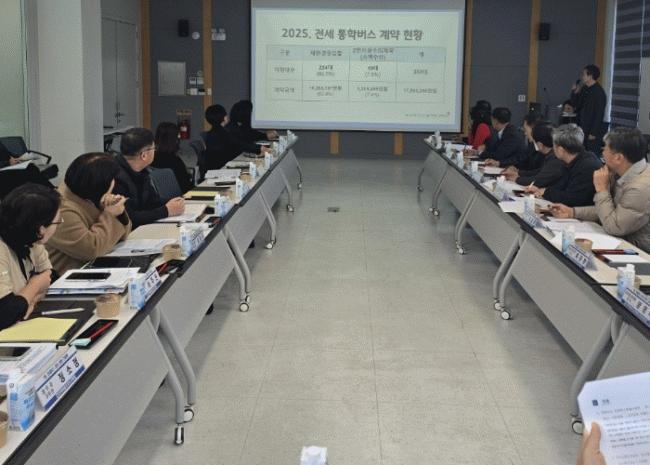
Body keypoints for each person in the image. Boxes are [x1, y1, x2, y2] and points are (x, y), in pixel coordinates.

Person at [550, 128, 650, 253]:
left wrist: (601, 189)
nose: (602, 153)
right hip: (622, 242)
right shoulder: (619, 173)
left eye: (605, 150)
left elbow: (614, 226)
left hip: (639, 252)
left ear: (618, 158)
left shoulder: (641, 187)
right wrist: (573, 212)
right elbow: (609, 212)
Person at [46, 153, 132, 274]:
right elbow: (92, 250)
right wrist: (109, 215)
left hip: (94, 268)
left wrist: (119, 212)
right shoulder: (60, 210)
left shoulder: (89, 195)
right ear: (100, 184)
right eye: (112, 179)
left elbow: (122, 236)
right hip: (69, 276)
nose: (113, 183)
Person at [0, 184, 61, 330]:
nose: (59, 225)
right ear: (40, 229)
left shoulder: (31, 239)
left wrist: (30, 300)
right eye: (58, 222)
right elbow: (5, 313)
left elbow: (51, 277)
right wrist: (36, 284)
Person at [114, 127, 185, 229]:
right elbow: (128, 217)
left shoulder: (141, 171)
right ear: (144, 155)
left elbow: (152, 201)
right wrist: (166, 210)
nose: (155, 152)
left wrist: (174, 203)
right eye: (153, 149)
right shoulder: (117, 178)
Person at [526, 124, 602, 206]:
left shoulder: (587, 166)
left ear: (560, 150)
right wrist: (540, 190)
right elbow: (561, 187)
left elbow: (572, 198)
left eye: (554, 146)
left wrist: (546, 192)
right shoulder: (575, 160)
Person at [204, 104, 270, 172]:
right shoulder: (223, 133)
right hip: (221, 169)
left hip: (214, 168)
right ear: (224, 118)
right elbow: (240, 144)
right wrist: (259, 148)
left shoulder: (211, 133)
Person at [504, 123, 565, 188]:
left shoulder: (555, 158)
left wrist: (517, 178)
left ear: (540, 145)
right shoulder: (551, 154)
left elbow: (538, 180)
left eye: (534, 142)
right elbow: (539, 172)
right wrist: (518, 173)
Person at [570, 64, 607, 154]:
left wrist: (593, 132)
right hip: (581, 127)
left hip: (591, 130)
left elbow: (599, 114)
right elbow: (576, 105)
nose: (582, 77)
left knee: (590, 154)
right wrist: (574, 93)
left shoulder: (599, 92)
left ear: (590, 76)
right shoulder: (584, 89)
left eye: (584, 74)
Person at [152, 122, 193, 193]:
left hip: (163, 195)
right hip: (182, 194)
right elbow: (186, 184)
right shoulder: (175, 161)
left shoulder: (152, 158)